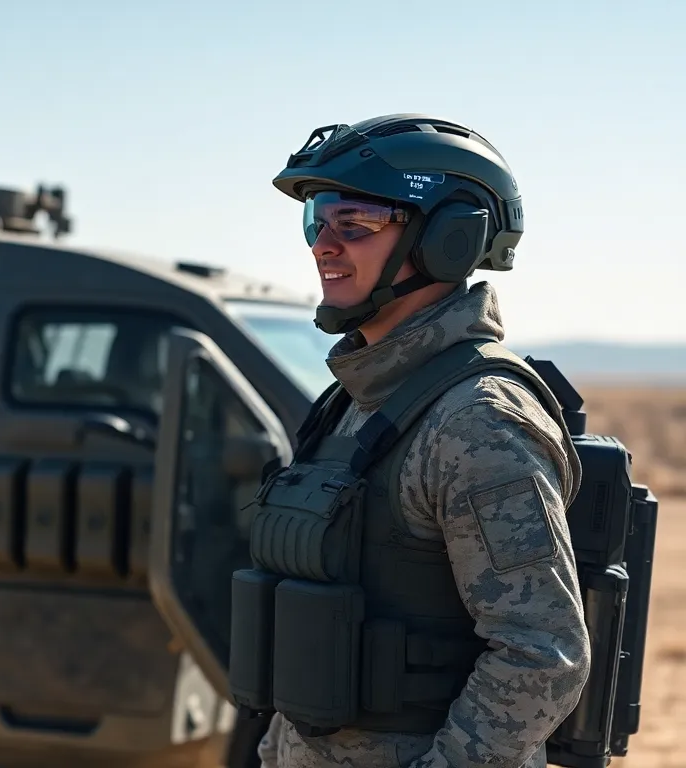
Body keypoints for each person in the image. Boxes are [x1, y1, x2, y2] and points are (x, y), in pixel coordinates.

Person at [229, 114, 590, 767]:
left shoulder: (477, 422)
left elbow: (541, 653)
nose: (323, 245)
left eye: (355, 224)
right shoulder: (352, 402)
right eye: (318, 220)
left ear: (449, 239)